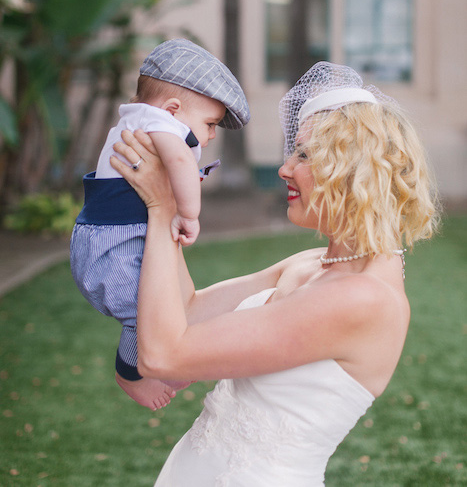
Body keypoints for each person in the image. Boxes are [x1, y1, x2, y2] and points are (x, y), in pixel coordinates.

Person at [110, 62, 439, 486]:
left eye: (304, 155)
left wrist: (161, 212)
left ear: (353, 171)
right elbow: (188, 313)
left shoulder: (364, 297)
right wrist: (169, 200)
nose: (285, 168)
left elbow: (161, 356)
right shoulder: (311, 263)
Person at [70, 39, 250, 410]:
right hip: (112, 248)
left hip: (119, 238)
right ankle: (131, 374)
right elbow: (182, 166)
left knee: (164, 304)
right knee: (145, 312)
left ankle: (161, 360)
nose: (212, 134)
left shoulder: (142, 122)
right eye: (210, 123)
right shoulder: (156, 124)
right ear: (172, 109)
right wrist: (189, 213)